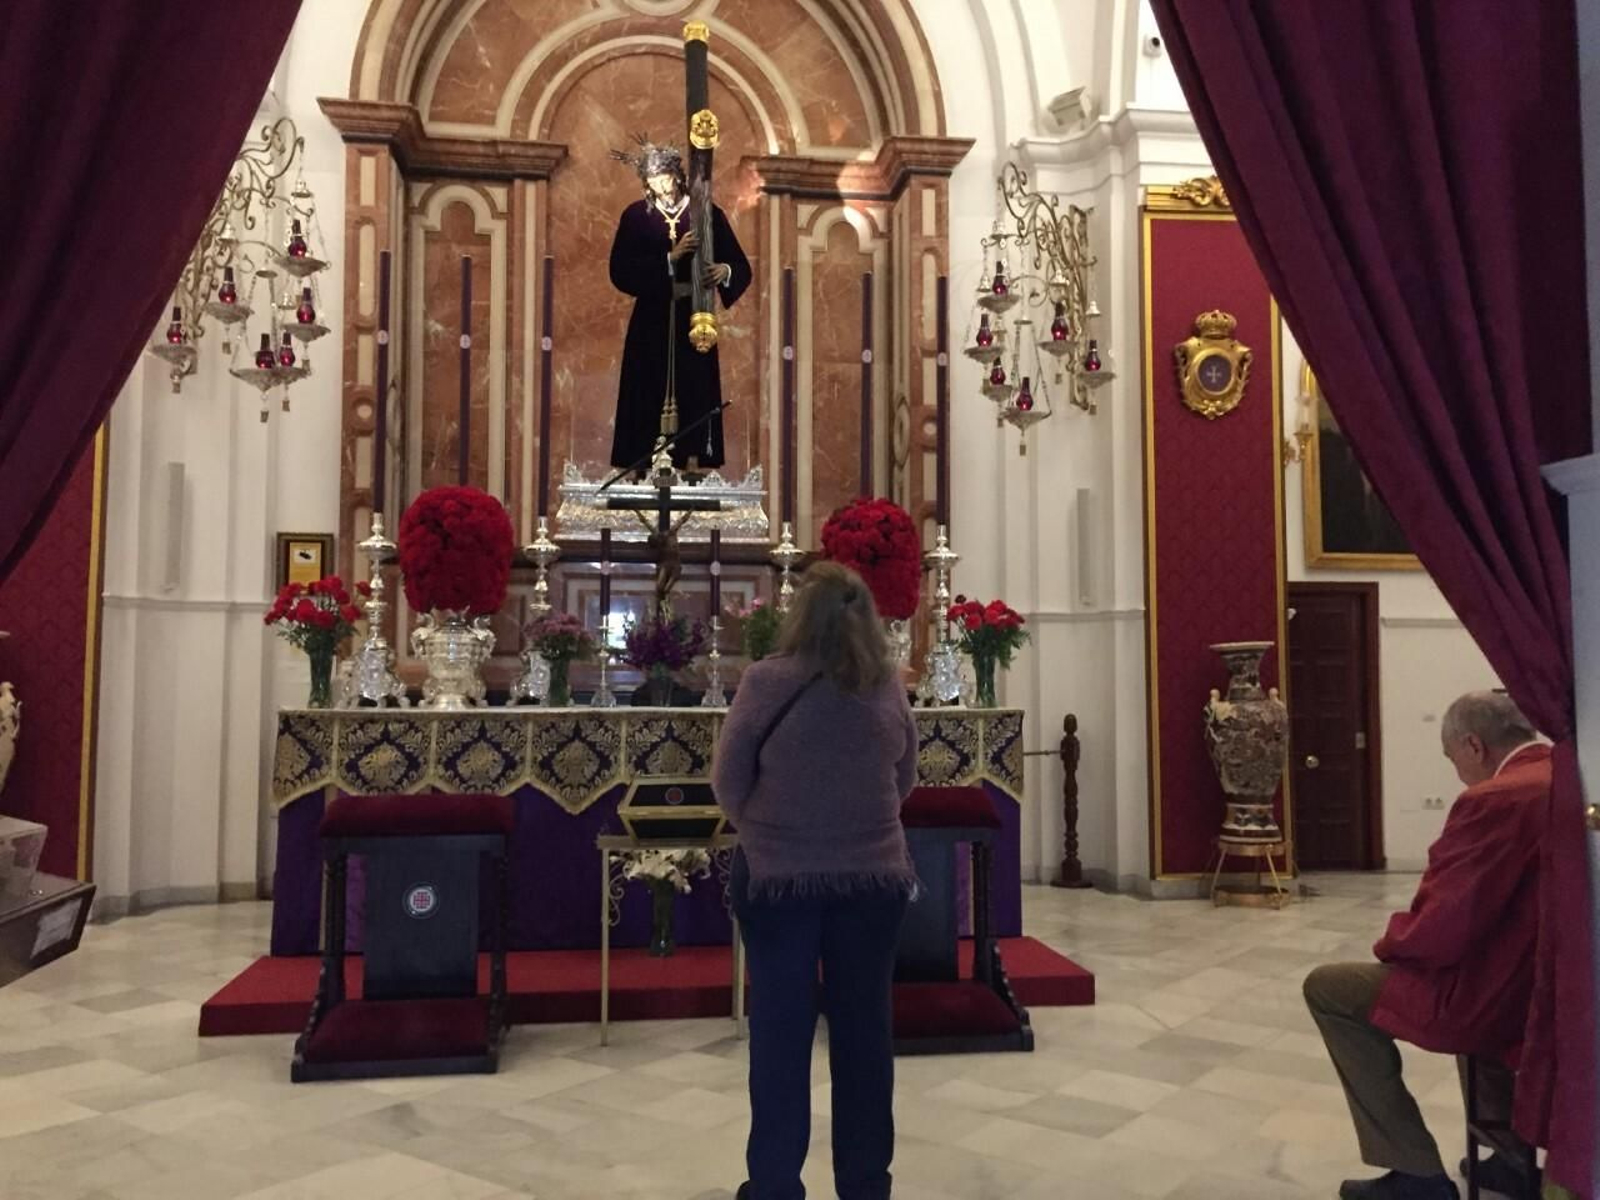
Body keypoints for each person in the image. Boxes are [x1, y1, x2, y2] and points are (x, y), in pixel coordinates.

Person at [712, 562, 920, 1200]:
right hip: (872, 881)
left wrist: (767, 829)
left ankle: (774, 1185)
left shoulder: (765, 681)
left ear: (798, 615)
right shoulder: (886, 685)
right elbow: (905, 775)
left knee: (780, 1036)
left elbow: (728, 779)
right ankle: (865, 1185)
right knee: (864, 1038)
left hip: (779, 881)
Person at [1303, 691, 1549, 1200]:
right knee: (1484, 1011)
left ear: (1473, 745)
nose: (1457, 772)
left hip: (1493, 993)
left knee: (1329, 990)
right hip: (1546, 985)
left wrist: (1393, 944)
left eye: (1453, 758)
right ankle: (1508, 1156)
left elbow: (1444, 922)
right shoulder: (1566, 775)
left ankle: (1414, 1172)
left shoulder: (1495, 799)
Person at [608, 139, 751, 473]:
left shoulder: (706, 213)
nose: (659, 184)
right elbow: (620, 270)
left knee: (694, 388)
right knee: (645, 386)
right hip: (651, 318)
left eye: (664, 176)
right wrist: (668, 261)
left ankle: (692, 460)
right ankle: (641, 463)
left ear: (677, 175)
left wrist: (724, 272)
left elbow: (740, 266)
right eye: (652, 178)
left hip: (693, 315)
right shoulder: (636, 216)